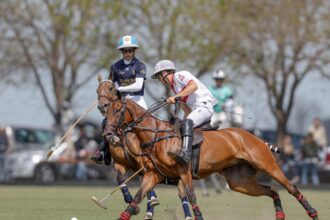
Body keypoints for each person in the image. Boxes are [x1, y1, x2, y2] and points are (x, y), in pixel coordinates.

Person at [91, 35, 147, 165]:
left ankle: (151, 152)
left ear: (134, 51)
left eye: (130, 50)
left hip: (137, 99)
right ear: (122, 52)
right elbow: (110, 84)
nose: (128, 53)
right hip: (121, 102)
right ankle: (104, 153)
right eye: (125, 51)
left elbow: (139, 85)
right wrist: (103, 93)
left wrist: (120, 89)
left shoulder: (140, 65)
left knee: (146, 123)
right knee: (107, 123)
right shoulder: (115, 67)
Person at [151, 60, 217, 165]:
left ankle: (185, 155)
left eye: (158, 76)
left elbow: (193, 86)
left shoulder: (179, 75)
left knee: (187, 123)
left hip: (204, 106)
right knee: (181, 124)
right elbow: (187, 111)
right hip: (197, 111)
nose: (159, 79)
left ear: (164, 73)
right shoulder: (174, 88)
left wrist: (176, 97)